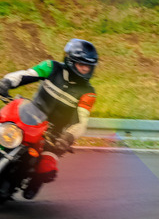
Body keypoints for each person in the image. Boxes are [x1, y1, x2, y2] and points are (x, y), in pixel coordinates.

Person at [0, 39, 98, 199]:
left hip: (54, 135)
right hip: (30, 117)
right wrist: (6, 82)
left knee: (46, 167)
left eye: (89, 66)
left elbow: (82, 121)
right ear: (70, 61)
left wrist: (68, 137)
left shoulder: (88, 92)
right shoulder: (51, 67)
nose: (86, 69)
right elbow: (26, 74)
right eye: (82, 65)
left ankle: (34, 182)